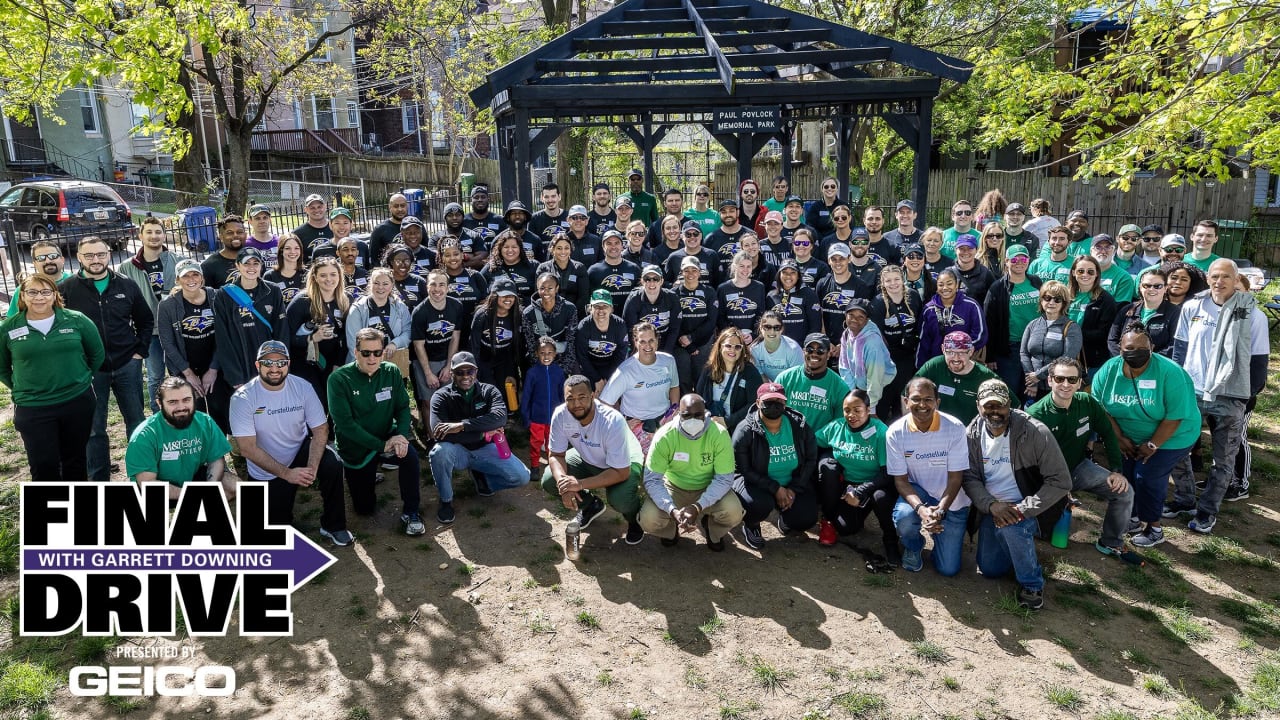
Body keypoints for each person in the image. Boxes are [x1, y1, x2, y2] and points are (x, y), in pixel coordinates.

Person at [1166, 260, 1269, 532]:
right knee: (1177, 449)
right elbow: (1180, 350)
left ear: (1236, 280)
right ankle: (1185, 499)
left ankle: (1207, 510)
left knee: (1223, 460)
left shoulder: (1253, 314)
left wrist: (1247, 396)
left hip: (1230, 396)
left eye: (1226, 276)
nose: (1219, 281)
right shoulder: (1192, 307)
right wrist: (1178, 387)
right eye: (1214, 276)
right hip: (1193, 391)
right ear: (1208, 278)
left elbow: (1259, 361)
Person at [961, 379, 1071, 611]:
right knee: (990, 569)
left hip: (1032, 504)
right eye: (988, 406)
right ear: (978, 406)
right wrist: (991, 505)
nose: (994, 412)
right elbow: (969, 477)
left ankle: (1032, 583)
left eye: (999, 406)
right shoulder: (972, 432)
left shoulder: (1035, 432)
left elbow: (1061, 481)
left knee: (1013, 528)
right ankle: (1020, 548)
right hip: (994, 507)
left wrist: (1023, 509)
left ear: (1009, 404)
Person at [1092, 322, 1200, 548]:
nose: (1135, 353)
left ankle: (1154, 528)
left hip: (1173, 436)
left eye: (1141, 349)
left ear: (1151, 347)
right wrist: (1119, 438)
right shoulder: (1109, 370)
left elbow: (1175, 417)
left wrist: (1152, 445)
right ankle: (1132, 518)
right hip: (1129, 436)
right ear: (1120, 347)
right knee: (1127, 475)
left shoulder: (1171, 373)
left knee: (1147, 477)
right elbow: (1100, 409)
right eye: (1129, 348)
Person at [229, 340, 348, 545]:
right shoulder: (243, 398)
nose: (275, 368)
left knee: (332, 464)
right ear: (258, 365)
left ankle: (334, 525)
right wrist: (287, 474)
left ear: (288, 364)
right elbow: (247, 449)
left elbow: (321, 430)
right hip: (266, 468)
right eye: (268, 363)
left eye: (281, 363)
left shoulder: (302, 387)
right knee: (274, 531)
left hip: (299, 451)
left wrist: (311, 468)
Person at [60, 236, 153, 482]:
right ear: (79, 257)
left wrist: (139, 353)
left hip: (127, 365)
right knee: (94, 429)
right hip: (90, 370)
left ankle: (140, 476)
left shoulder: (126, 285)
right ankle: (99, 481)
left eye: (100, 254)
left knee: (137, 423)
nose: (95, 260)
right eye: (89, 255)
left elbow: (145, 321)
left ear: (109, 255)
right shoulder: (67, 289)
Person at [1027, 357, 1137, 559]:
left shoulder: (1087, 402)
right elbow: (1027, 464)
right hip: (1046, 480)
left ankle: (1111, 542)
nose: (1066, 385)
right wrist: (1057, 489)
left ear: (1079, 382)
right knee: (1043, 534)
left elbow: (1108, 434)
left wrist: (1116, 471)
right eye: (1059, 379)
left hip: (1078, 468)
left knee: (1124, 491)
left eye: (1071, 379)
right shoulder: (1035, 415)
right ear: (1049, 380)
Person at [0, 273, 102, 482]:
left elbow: (97, 354)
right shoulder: (8, 328)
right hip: (33, 407)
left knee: (74, 460)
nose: (39, 297)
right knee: (42, 464)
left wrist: (79, 378)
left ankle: (75, 510)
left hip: (76, 402)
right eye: (32, 292)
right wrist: (23, 387)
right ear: (22, 296)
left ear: (55, 295)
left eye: (46, 292)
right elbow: (2, 368)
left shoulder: (76, 320)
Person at [329, 328, 426, 535]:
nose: (372, 358)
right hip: (355, 446)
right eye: (366, 353)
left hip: (385, 434)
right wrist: (382, 446)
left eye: (377, 352)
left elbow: (402, 407)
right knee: (364, 510)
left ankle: (411, 511)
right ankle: (369, 471)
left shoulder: (391, 371)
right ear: (355, 353)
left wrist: (399, 436)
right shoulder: (338, 379)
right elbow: (346, 425)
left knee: (409, 456)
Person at [428, 351, 531, 523]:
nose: (465, 376)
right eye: (460, 372)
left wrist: (461, 425)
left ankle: (484, 479)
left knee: (522, 477)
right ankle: (446, 500)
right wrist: (483, 432)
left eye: (470, 371)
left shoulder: (489, 391)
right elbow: (439, 432)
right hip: (457, 451)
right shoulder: (440, 397)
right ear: (452, 373)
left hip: (486, 448)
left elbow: (500, 418)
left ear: (476, 372)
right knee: (439, 452)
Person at [541, 375, 646, 544]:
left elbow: (621, 472)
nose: (576, 404)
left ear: (592, 395)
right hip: (588, 455)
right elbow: (555, 455)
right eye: (570, 399)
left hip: (624, 463)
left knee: (620, 499)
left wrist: (580, 484)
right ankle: (590, 505)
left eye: (582, 397)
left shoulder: (612, 420)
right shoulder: (560, 414)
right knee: (549, 479)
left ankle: (635, 520)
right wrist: (564, 483)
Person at [638, 393, 744, 549]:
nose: (692, 420)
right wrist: (671, 510)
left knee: (734, 512)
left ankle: (712, 529)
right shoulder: (665, 436)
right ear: (679, 414)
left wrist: (697, 507)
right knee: (648, 518)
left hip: (708, 485)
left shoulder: (719, 434)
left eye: (698, 415)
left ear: (705, 413)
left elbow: (724, 479)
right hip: (673, 487)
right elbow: (652, 479)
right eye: (687, 415)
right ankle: (671, 530)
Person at [888, 377, 971, 575]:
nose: (922, 405)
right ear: (906, 401)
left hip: (952, 499)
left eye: (928, 399)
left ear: (937, 402)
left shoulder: (955, 427)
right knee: (905, 519)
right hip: (919, 491)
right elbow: (900, 481)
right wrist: (922, 510)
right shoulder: (895, 433)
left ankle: (941, 541)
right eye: (916, 399)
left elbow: (956, 478)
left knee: (948, 569)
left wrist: (940, 511)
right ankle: (914, 545)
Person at [733, 382, 819, 549]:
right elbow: (744, 470)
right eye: (767, 402)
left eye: (778, 402)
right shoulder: (745, 430)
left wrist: (793, 489)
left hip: (790, 481)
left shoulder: (799, 425)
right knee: (758, 505)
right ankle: (751, 525)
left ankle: (787, 518)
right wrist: (775, 488)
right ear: (758, 403)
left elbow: (810, 459)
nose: (773, 406)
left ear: (785, 404)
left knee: (807, 517)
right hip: (755, 483)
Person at [211, 246, 288, 433]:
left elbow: (281, 331)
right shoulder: (224, 295)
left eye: (256, 263)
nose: (251, 267)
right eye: (247, 263)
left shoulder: (273, 291)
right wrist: (234, 375)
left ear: (261, 266)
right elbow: (223, 339)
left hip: (268, 362)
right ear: (238, 266)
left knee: (269, 408)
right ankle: (243, 451)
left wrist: (280, 365)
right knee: (245, 411)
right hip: (240, 362)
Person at [814, 389, 897, 559]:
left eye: (857, 410)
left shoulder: (880, 432)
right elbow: (812, 442)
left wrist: (860, 491)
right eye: (847, 410)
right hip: (845, 483)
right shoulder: (837, 426)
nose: (851, 415)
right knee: (846, 528)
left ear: (868, 410)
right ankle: (828, 518)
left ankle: (891, 540)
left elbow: (887, 473)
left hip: (873, 485)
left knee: (881, 497)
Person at [126, 377, 235, 499]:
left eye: (186, 400)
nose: (181, 407)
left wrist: (210, 486)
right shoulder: (144, 435)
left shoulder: (205, 421)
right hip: (158, 486)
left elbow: (216, 460)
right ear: (159, 403)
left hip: (191, 477)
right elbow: (148, 483)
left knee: (234, 485)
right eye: (173, 402)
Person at [118, 216, 176, 412]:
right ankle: (157, 412)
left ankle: (183, 410)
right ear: (140, 235)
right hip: (149, 330)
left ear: (164, 235)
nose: (154, 236)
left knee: (180, 372)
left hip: (176, 327)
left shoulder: (177, 260)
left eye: (158, 232)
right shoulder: (128, 266)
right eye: (149, 232)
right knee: (155, 375)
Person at [157, 260, 223, 422]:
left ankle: (220, 445)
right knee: (194, 412)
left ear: (202, 278)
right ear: (177, 280)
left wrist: (213, 370)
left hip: (215, 364)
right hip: (184, 366)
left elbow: (225, 337)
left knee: (219, 409)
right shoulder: (167, 305)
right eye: (185, 276)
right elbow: (167, 343)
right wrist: (188, 374)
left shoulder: (216, 297)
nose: (191, 279)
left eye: (195, 274)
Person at [599, 322, 680, 452]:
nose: (647, 345)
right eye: (642, 341)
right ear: (635, 342)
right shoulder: (625, 371)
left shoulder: (668, 360)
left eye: (651, 340)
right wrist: (623, 425)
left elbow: (674, 386)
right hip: (638, 426)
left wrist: (674, 409)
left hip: (664, 420)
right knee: (643, 467)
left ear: (657, 341)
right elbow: (603, 404)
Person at [285, 257, 350, 409]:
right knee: (316, 405)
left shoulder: (345, 300)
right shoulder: (302, 301)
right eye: (323, 275)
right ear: (314, 277)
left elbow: (348, 336)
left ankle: (332, 433)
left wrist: (338, 364)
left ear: (340, 276)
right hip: (306, 363)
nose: (329, 279)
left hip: (333, 363)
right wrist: (313, 338)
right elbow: (286, 338)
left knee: (334, 403)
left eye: (333, 274)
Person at [984, 244, 1043, 402]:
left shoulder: (1036, 282)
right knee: (1011, 391)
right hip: (1010, 348)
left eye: (1023, 258)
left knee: (1033, 392)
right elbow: (989, 323)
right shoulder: (997, 288)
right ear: (1006, 262)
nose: (1019, 262)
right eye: (1014, 259)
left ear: (1028, 260)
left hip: (1036, 346)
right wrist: (990, 356)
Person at [409, 269, 463, 427]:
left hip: (446, 358)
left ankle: (451, 433)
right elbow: (418, 345)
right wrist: (428, 373)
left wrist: (449, 366)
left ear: (447, 288)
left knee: (451, 399)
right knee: (428, 402)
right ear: (427, 287)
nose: (437, 289)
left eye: (441, 285)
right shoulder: (419, 312)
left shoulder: (456, 306)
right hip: (426, 361)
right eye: (433, 284)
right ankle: (432, 438)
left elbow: (455, 336)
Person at [913, 331, 999, 426]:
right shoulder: (934, 366)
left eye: (961, 353)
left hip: (970, 434)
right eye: (950, 352)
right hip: (937, 431)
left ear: (971, 351)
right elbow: (907, 395)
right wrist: (914, 427)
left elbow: (1011, 406)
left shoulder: (985, 376)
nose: (956, 358)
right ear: (943, 349)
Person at [870, 265, 922, 420]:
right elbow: (877, 333)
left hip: (907, 357)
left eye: (897, 279)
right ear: (883, 283)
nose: (893, 284)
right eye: (888, 281)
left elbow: (919, 322)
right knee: (885, 398)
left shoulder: (913, 296)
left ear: (903, 279)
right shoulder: (878, 302)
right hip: (887, 357)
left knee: (903, 396)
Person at [1019, 280, 1082, 401]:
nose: (1051, 302)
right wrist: (1032, 381)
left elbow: (1067, 357)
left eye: (1057, 299)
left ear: (1064, 303)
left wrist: (1039, 375)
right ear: (1041, 300)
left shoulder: (1071, 327)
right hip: (1032, 387)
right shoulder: (1032, 325)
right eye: (1047, 298)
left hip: (1059, 387)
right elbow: (1024, 353)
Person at [694, 327, 764, 434]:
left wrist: (728, 422)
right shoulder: (709, 369)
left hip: (739, 427)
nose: (732, 350)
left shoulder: (750, 371)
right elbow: (698, 398)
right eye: (728, 346)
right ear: (720, 346)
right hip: (710, 425)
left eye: (737, 347)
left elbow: (754, 404)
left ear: (742, 349)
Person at [774, 333, 849, 431]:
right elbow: (773, 411)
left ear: (828, 354)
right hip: (788, 440)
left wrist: (815, 439)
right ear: (803, 352)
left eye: (820, 351)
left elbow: (840, 423)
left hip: (820, 443)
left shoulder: (840, 387)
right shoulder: (784, 378)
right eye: (809, 350)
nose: (814, 354)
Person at [346, 267, 412, 377]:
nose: (380, 287)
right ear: (370, 284)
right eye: (376, 283)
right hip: (365, 365)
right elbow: (353, 342)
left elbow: (408, 331)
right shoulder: (358, 309)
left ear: (391, 285)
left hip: (392, 361)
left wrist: (395, 344)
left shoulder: (400, 306)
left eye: (385, 284)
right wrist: (368, 363)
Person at [916, 267, 987, 367]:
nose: (945, 288)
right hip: (938, 365)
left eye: (949, 283)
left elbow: (980, 335)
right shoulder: (928, 309)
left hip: (964, 363)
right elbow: (923, 341)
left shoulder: (971, 306)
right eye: (941, 285)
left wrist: (958, 352)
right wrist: (921, 367)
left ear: (957, 285)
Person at [837, 299, 896, 413]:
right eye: (851, 315)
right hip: (860, 386)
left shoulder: (872, 343)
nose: (854, 320)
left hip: (880, 389)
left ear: (867, 319)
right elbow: (844, 367)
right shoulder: (846, 334)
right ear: (845, 315)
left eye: (861, 317)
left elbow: (875, 377)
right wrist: (851, 394)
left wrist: (871, 408)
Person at [1107, 266, 1180, 357]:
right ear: (1140, 287)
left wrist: (1147, 362)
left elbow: (1174, 344)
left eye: (1157, 286)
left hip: (1158, 366)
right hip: (1124, 364)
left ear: (1165, 288)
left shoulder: (1175, 313)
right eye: (1147, 285)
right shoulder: (1127, 310)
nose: (1151, 289)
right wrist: (1124, 359)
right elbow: (1112, 340)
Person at [1067, 255, 1119, 381]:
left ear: (1097, 274)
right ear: (1073, 273)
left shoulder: (1106, 300)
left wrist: (1075, 333)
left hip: (1092, 360)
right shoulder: (1066, 295)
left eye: (1090, 271)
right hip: (1065, 356)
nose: (1085, 274)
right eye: (1080, 271)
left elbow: (1104, 333)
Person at [673, 255, 720, 392]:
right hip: (680, 344)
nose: (690, 274)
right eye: (686, 270)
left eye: (694, 270)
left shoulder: (709, 292)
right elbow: (674, 321)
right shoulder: (674, 293)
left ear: (700, 272)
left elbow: (711, 321)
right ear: (681, 272)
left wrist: (692, 340)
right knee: (683, 379)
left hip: (703, 343)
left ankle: (702, 407)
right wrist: (687, 343)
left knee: (702, 378)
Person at [522, 336, 567, 471]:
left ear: (555, 354)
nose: (546, 356)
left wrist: (564, 415)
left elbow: (563, 396)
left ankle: (552, 465)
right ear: (536, 354)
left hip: (554, 418)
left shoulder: (559, 372)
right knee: (536, 443)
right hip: (537, 418)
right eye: (542, 353)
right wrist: (526, 418)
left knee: (551, 443)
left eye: (549, 353)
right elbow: (526, 397)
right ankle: (535, 465)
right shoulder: (532, 373)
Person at [574, 290, 630, 396]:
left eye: (605, 306)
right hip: (590, 367)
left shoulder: (619, 325)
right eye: (596, 306)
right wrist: (597, 379)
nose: (601, 310)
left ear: (611, 308)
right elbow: (582, 356)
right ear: (590, 308)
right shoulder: (584, 326)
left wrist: (607, 378)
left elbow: (621, 354)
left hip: (611, 366)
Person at [522, 272, 579, 376]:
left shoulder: (570, 309)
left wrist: (563, 370)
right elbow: (530, 346)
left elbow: (571, 342)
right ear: (537, 289)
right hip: (540, 361)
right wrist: (541, 369)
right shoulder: (528, 313)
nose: (546, 292)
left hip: (563, 360)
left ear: (557, 288)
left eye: (550, 288)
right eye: (542, 288)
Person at [622, 264, 681, 355]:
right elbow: (630, 329)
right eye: (647, 279)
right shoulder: (634, 299)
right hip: (641, 344)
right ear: (642, 281)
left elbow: (674, 328)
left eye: (655, 279)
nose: (651, 283)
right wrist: (640, 351)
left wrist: (666, 352)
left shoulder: (671, 297)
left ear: (661, 281)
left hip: (665, 343)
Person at [7, 240, 70, 316]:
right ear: (34, 263)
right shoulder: (24, 290)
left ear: (62, 259)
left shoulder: (76, 282)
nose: (48, 261)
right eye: (41, 258)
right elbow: (12, 321)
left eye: (53, 256)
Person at [716, 251, 768, 340]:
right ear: (734, 267)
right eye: (741, 266)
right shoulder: (723, 288)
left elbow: (761, 314)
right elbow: (720, 317)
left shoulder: (759, 287)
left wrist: (753, 335)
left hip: (752, 338)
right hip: (730, 337)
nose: (745, 270)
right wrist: (733, 334)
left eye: (749, 266)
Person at [588, 229, 641, 309]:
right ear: (603, 246)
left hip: (629, 316)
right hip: (603, 317)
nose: (613, 247)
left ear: (622, 246)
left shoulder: (634, 268)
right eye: (609, 243)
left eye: (617, 243)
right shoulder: (593, 271)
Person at [537, 233, 590, 312]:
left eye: (566, 248)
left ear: (571, 249)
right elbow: (539, 294)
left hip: (574, 312)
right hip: (548, 311)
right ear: (552, 249)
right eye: (559, 248)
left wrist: (571, 312)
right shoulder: (543, 268)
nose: (563, 251)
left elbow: (583, 297)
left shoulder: (579, 268)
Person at [482, 230, 538, 304]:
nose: (510, 250)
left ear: (520, 249)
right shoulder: (491, 267)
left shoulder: (533, 266)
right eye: (506, 247)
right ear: (500, 249)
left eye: (514, 247)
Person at [750, 310, 803, 382]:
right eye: (767, 327)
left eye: (776, 327)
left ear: (782, 329)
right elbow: (761, 376)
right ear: (761, 328)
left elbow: (798, 379)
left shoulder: (793, 349)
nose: (772, 332)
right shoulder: (755, 349)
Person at [201, 215, 248, 289]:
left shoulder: (255, 259)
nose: (235, 235)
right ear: (221, 237)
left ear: (245, 235)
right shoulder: (209, 266)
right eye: (230, 233)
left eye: (239, 232)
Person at [1090, 234, 1136, 303]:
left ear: (1113, 250)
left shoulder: (1123, 277)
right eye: (1098, 247)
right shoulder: (1081, 273)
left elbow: (1120, 308)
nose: (1103, 251)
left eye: (1107, 247)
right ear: (1091, 251)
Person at [264, 234, 307, 305]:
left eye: (296, 248)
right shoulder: (270, 276)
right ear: (281, 251)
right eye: (287, 248)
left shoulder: (307, 274)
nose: (293, 252)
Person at [952, 235, 996, 305]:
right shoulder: (948, 273)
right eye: (961, 248)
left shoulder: (986, 274)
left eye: (970, 248)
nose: (966, 252)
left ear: (976, 250)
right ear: (955, 250)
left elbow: (994, 301)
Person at [369, 193, 409, 266]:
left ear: (407, 206)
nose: (400, 209)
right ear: (390, 207)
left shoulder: (417, 227)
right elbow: (373, 259)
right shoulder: (380, 230)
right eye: (396, 206)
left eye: (403, 206)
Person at [294, 194, 332, 259]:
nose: (316, 210)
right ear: (305, 209)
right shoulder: (297, 234)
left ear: (325, 207)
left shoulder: (336, 229)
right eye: (312, 208)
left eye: (319, 207)